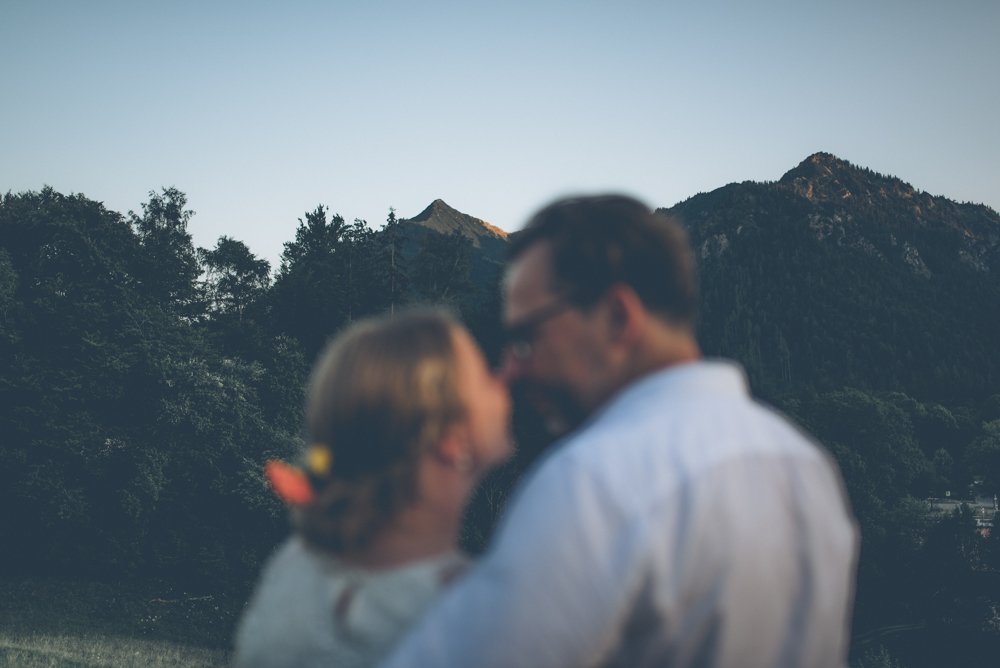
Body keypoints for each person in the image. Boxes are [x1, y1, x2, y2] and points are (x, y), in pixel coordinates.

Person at [383, 195, 859, 667]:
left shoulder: (594, 481)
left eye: (527, 337)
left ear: (617, 317)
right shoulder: (808, 467)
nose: (511, 369)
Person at [233, 309, 511, 668]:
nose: (506, 378)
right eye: (486, 376)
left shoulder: (292, 568)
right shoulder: (473, 616)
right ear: (451, 437)